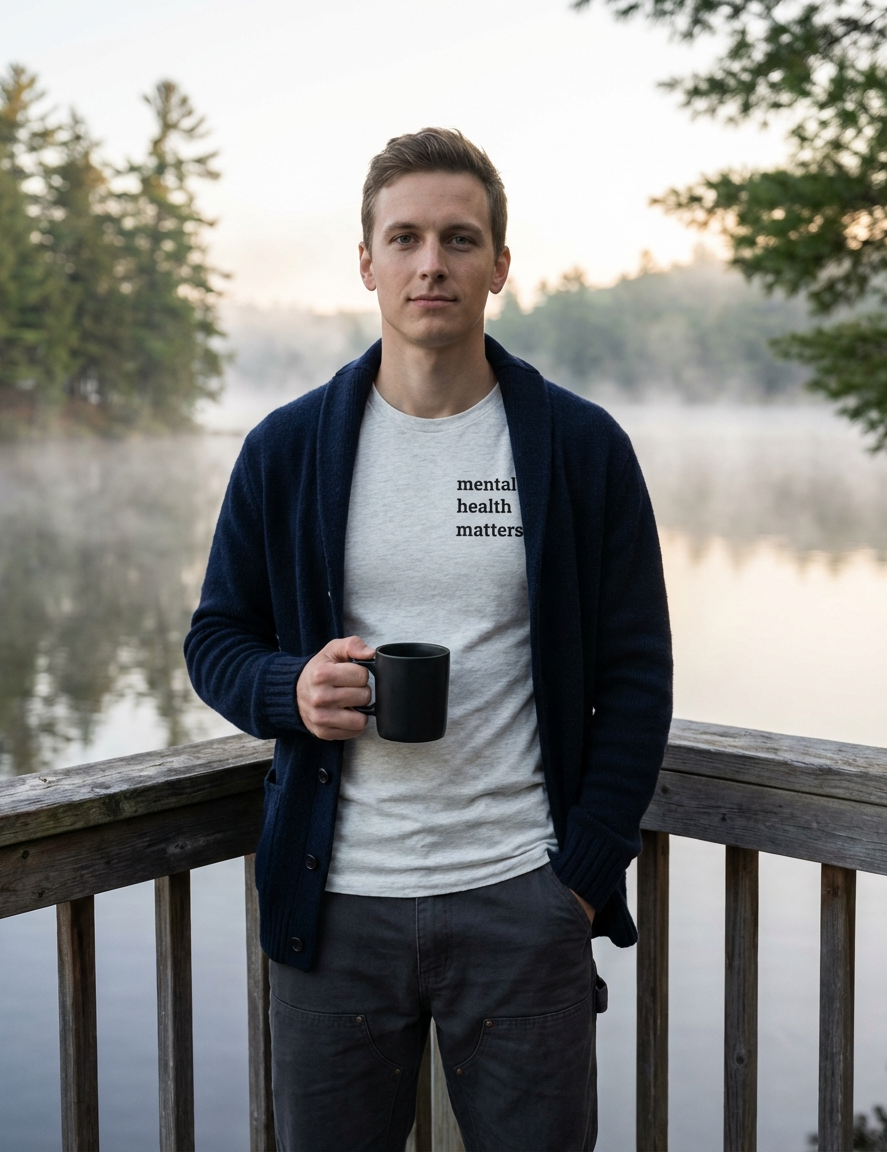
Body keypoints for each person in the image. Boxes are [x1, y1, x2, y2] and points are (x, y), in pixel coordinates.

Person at [184, 128, 673, 1152]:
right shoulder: (287, 449)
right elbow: (217, 637)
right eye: (403, 238)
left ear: (499, 263)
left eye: (459, 239)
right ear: (365, 262)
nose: (430, 263)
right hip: (334, 909)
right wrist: (290, 690)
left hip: (520, 900)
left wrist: (580, 875)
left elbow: (635, 677)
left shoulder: (579, 450)